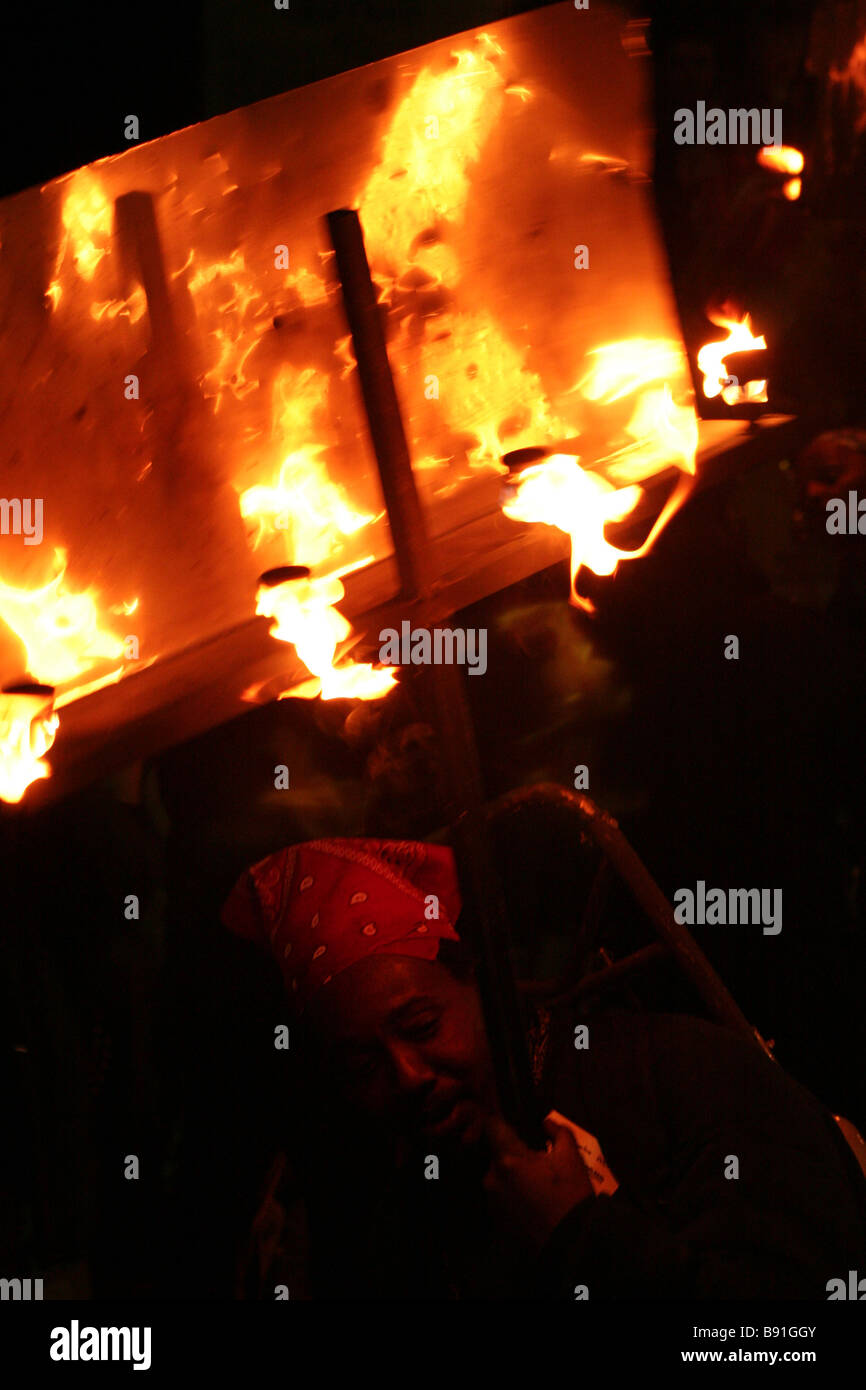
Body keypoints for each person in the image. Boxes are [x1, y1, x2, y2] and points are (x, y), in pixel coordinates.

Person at [222, 836, 866, 1300]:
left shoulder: (680, 1074)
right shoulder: (412, 1190)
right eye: (362, 1063)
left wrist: (581, 1237)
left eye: (421, 1027)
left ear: (479, 981)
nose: (407, 1075)